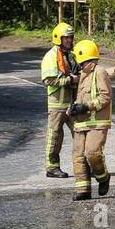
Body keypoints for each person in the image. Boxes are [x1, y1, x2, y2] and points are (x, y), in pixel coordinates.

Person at [68, 39, 112, 201]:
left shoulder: (99, 72)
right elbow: (80, 98)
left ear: (82, 56)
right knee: (78, 157)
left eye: (76, 58)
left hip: (97, 122)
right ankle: (83, 191)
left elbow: (105, 97)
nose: (74, 61)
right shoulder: (83, 75)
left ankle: (103, 177)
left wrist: (86, 107)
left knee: (92, 153)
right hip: (80, 122)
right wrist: (73, 109)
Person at [40, 22, 78, 177]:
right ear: (59, 38)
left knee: (80, 133)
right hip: (57, 104)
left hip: (72, 103)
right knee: (55, 136)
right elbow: (48, 80)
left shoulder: (72, 55)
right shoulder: (50, 56)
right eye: (67, 38)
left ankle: (85, 166)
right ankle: (52, 168)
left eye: (71, 37)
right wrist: (70, 80)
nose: (70, 40)